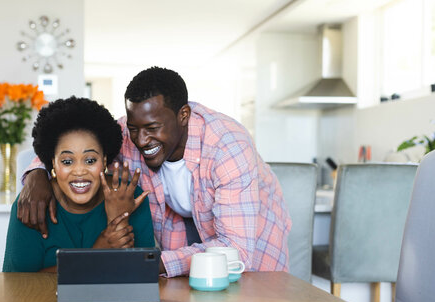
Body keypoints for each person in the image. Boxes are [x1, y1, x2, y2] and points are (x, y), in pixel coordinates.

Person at [18, 67, 291, 277]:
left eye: (152, 128)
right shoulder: (129, 131)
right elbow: (76, 147)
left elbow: (236, 250)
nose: (141, 140)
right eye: (134, 128)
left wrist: (148, 261)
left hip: (251, 241)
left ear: (183, 115)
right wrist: (36, 174)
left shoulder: (227, 145)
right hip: (179, 237)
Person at [3, 96, 154, 272]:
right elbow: (17, 286)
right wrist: (97, 253)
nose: (80, 171)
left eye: (90, 160)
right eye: (67, 161)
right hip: (43, 301)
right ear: (53, 163)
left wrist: (118, 219)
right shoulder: (33, 203)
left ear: (104, 161)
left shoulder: (128, 194)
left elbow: (142, 275)